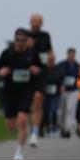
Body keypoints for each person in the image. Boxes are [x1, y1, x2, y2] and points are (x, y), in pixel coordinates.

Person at [0, 28, 42, 160]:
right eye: (17, 40)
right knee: (10, 125)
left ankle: (19, 151)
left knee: (22, 120)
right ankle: (21, 130)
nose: (20, 43)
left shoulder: (32, 54)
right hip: (9, 91)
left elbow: (41, 70)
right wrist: (1, 71)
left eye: (23, 40)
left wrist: (37, 70)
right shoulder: (7, 53)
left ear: (27, 41)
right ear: (14, 40)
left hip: (26, 91)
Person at [26, 13, 54, 146]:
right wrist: (27, 47)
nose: (36, 23)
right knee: (27, 103)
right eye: (34, 21)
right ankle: (27, 126)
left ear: (42, 23)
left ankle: (35, 132)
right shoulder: (24, 35)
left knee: (38, 100)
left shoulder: (46, 36)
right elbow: (17, 51)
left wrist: (51, 58)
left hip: (42, 72)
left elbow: (50, 50)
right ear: (30, 22)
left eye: (39, 21)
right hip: (27, 73)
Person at [58, 47, 80, 139]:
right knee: (62, 111)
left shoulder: (77, 66)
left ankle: (67, 129)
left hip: (73, 90)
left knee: (70, 110)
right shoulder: (61, 65)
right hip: (63, 91)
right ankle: (62, 128)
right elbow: (57, 75)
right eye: (70, 55)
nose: (71, 56)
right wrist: (60, 84)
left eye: (73, 55)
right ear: (67, 55)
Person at [43, 62, 64, 137]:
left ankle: (54, 127)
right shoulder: (44, 70)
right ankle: (47, 127)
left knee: (54, 110)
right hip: (46, 93)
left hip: (56, 93)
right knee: (46, 111)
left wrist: (61, 86)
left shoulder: (58, 70)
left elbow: (62, 79)